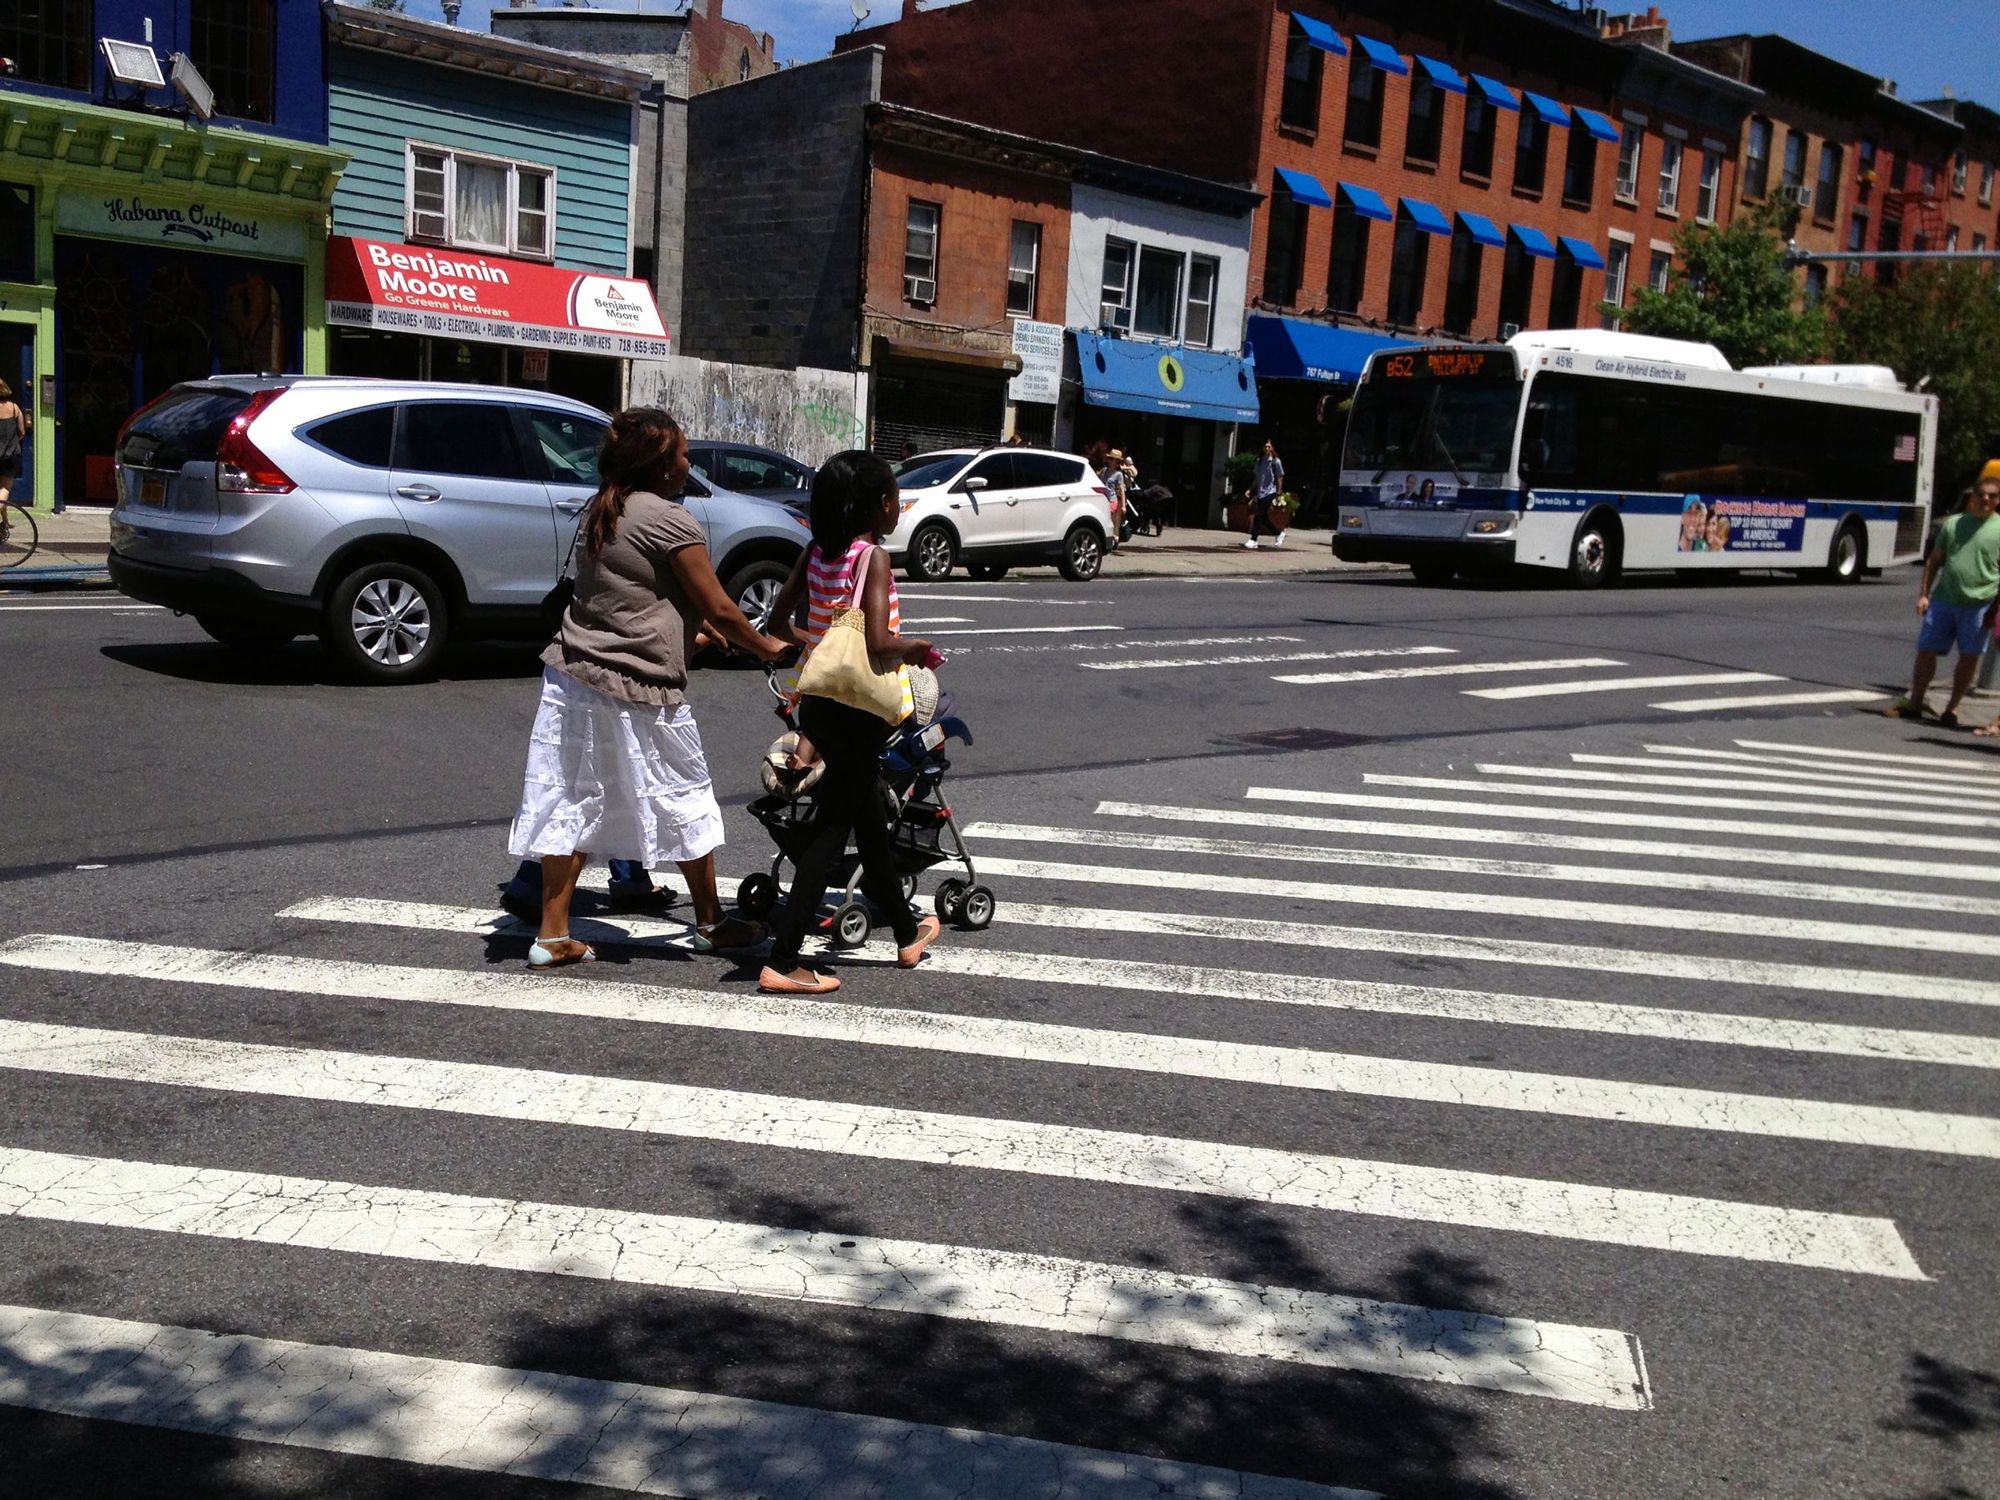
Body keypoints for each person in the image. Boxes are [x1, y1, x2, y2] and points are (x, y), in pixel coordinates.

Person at [507, 406, 790, 969]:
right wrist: (771, 648)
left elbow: (636, 595)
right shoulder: (669, 519)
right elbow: (721, 607)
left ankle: (552, 933)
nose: (690, 464)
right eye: (684, 454)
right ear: (661, 465)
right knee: (683, 792)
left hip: (573, 676)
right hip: (637, 686)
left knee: (571, 795)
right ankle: (709, 922)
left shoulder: (604, 508)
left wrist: (696, 632)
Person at [758, 451, 944, 995]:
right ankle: (784, 958)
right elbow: (878, 643)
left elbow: (777, 622)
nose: (899, 506)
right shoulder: (875, 559)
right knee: (832, 828)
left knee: (866, 816)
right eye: (895, 498)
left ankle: (907, 933)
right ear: (882, 505)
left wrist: (815, 644)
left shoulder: (815, 553)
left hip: (818, 702)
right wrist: (921, 649)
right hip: (861, 711)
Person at [1887, 473, 2000, 728]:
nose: (1985, 499)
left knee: (1969, 657)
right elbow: (1935, 561)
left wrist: (1995, 609)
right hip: (1944, 600)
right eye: (1981, 494)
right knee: (1926, 651)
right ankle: (1915, 703)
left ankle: (1952, 708)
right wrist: (1924, 594)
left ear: (1997, 501)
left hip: (1980, 605)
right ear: (1973, 497)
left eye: (1992, 496)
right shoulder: (1954, 524)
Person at [1244, 441, 1284, 549]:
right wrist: (1250, 489)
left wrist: (1278, 492)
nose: (1267, 448)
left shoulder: (1276, 462)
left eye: (1269, 446)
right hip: (1260, 492)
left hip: (1270, 491)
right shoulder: (1260, 461)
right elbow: (1257, 478)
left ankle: (1253, 539)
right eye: (1265, 446)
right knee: (1263, 517)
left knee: (1258, 514)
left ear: (1272, 448)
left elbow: (1280, 477)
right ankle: (1278, 533)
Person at [0, 379, 28, 510]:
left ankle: (3, 523)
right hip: (11, 455)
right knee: (4, 489)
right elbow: (22, 432)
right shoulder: (14, 408)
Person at [1100, 448, 1130, 541]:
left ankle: (1111, 539)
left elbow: (1122, 490)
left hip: (1112, 500)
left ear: (1117, 462)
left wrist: (1123, 505)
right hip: (1103, 499)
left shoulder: (1118, 474)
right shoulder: (1104, 471)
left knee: (1109, 521)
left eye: (1114, 459)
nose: (1111, 461)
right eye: (1110, 459)